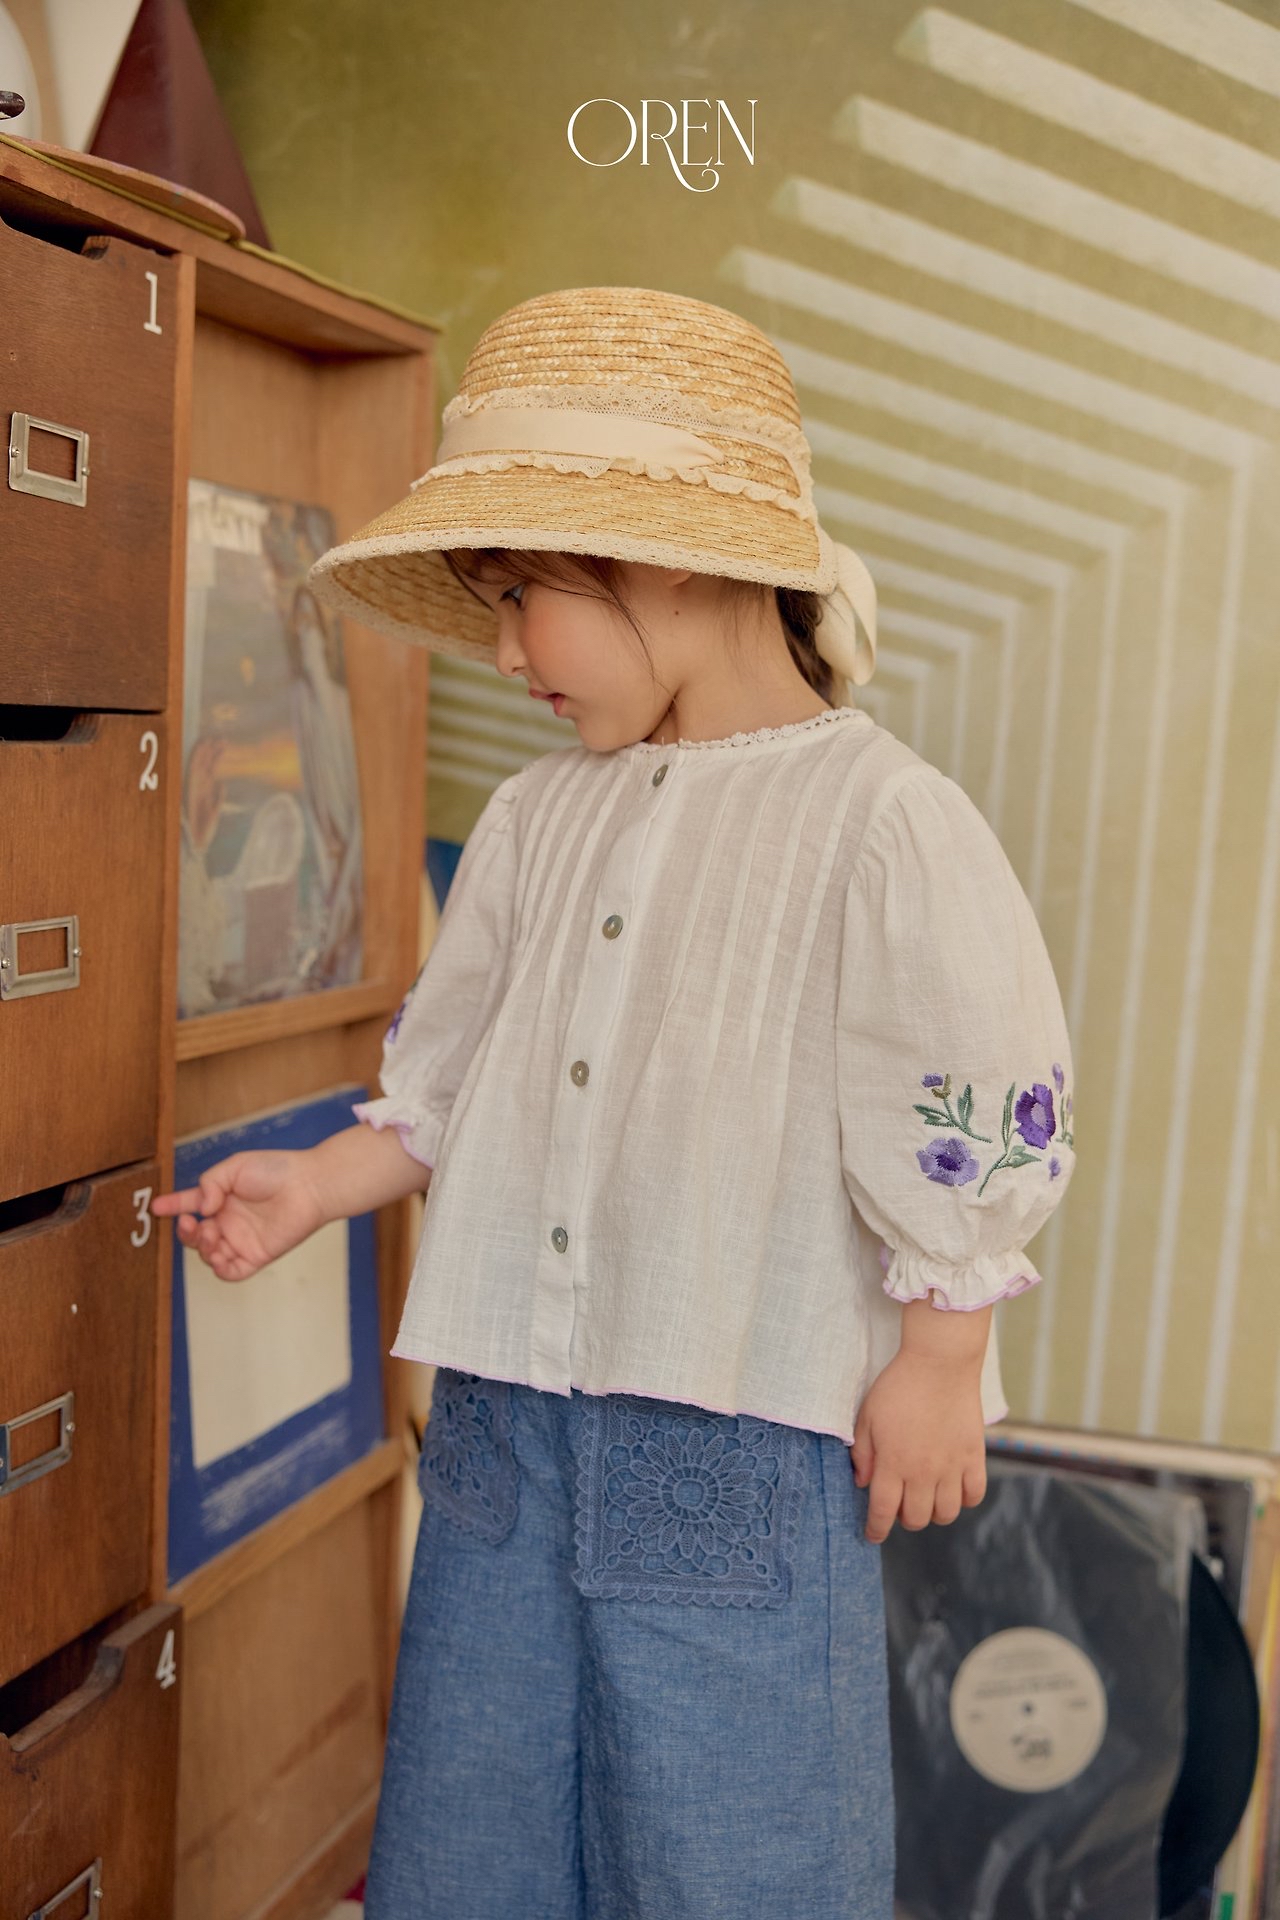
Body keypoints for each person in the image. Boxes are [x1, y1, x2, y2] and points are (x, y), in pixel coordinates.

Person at [150, 285, 1077, 1919]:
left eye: (522, 600)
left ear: (674, 563)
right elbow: (449, 1088)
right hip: (506, 1433)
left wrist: (944, 1356)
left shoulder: (880, 823)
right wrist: (316, 1184)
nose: (504, 653)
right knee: (476, 1822)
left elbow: (974, 1086)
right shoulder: (528, 820)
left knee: (738, 1849)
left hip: (735, 1440)